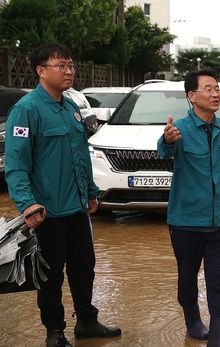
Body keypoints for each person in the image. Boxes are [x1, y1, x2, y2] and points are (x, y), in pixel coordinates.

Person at [4, 43, 121, 347]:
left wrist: (92, 193)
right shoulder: (26, 110)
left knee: (84, 268)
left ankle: (86, 322)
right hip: (47, 213)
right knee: (50, 275)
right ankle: (54, 331)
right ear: (41, 71)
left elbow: (80, 156)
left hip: (77, 209)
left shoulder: (71, 107)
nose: (69, 71)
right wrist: (27, 204)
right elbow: (16, 165)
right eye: (61, 66)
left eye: (70, 65)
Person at [157, 69, 220, 347]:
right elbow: (164, 151)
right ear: (191, 96)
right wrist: (167, 140)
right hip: (186, 222)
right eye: (208, 89)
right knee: (187, 277)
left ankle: (219, 336)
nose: (216, 94)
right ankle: (192, 320)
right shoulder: (179, 129)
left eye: (217, 88)